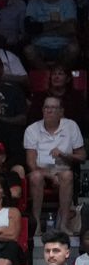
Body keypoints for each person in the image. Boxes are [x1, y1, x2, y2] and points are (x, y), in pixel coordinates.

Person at [23, 97, 85, 236]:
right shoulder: (32, 129)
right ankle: (37, 223)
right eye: (46, 107)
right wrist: (50, 175)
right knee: (36, 176)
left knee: (67, 175)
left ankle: (63, 224)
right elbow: (31, 163)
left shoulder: (71, 126)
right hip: (40, 169)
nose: (49, 110)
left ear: (61, 112)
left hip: (63, 168)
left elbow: (82, 156)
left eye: (53, 108)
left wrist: (64, 155)